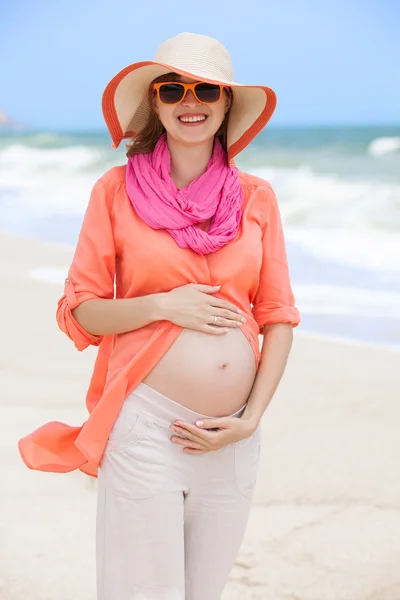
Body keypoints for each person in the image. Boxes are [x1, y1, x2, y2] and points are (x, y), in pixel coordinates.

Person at [18, 32, 300, 600]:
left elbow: (277, 315)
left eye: (206, 90)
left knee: (204, 592)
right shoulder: (115, 191)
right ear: (155, 104)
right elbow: (81, 311)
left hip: (234, 436)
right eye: (173, 89)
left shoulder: (257, 197)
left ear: (225, 105)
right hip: (147, 425)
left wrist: (251, 419)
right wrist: (164, 305)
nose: (189, 101)